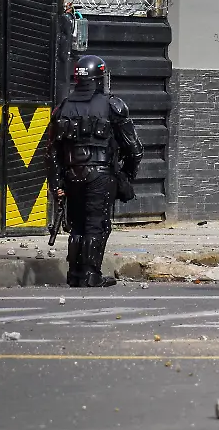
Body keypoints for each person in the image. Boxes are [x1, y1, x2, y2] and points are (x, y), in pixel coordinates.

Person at [48, 55, 143, 288]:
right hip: (101, 175)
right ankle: (91, 275)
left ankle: (75, 274)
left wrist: (57, 184)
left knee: (78, 225)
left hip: (72, 175)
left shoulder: (63, 108)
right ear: (100, 78)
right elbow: (134, 149)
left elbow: (52, 152)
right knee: (97, 225)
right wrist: (126, 176)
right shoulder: (113, 106)